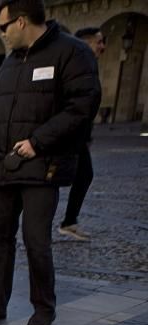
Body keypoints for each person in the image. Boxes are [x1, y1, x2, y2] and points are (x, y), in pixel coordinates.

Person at [0, 0, 100, 325]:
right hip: (3, 165)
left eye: (4, 26)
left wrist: (38, 141)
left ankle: (44, 308)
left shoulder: (72, 52)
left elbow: (81, 107)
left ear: (22, 21)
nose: (2, 33)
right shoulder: (9, 61)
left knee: (36, 239)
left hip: (44, 165)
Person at [59, 26, 105, 241]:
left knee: (82, 174)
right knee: (50, 179)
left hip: (77, 135)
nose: (102, 46)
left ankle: (69, 221)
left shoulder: (87, 65)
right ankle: (65, 221)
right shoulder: (76, 66)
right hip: (68, 134)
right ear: (85, 43)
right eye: (99, 41)